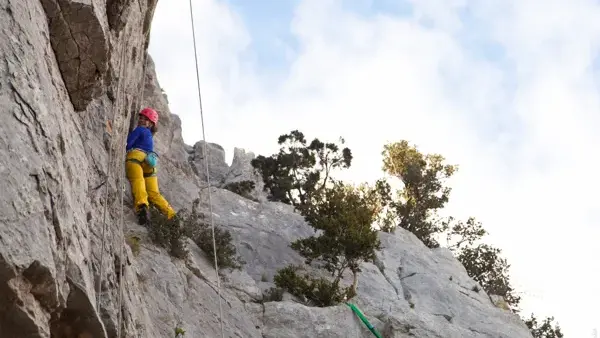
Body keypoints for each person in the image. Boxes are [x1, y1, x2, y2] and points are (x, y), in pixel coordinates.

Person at [125, 107, 176, 225]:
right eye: (141, 118)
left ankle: (142, 208)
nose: (141, 120)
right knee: (154, 193)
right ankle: (172, 216)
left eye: (145, 119)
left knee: (138, 180)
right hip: (150, 162)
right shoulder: (149, 136)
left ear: (150, 124)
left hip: (136, 157)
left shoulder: (140, 130)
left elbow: (128, 144)